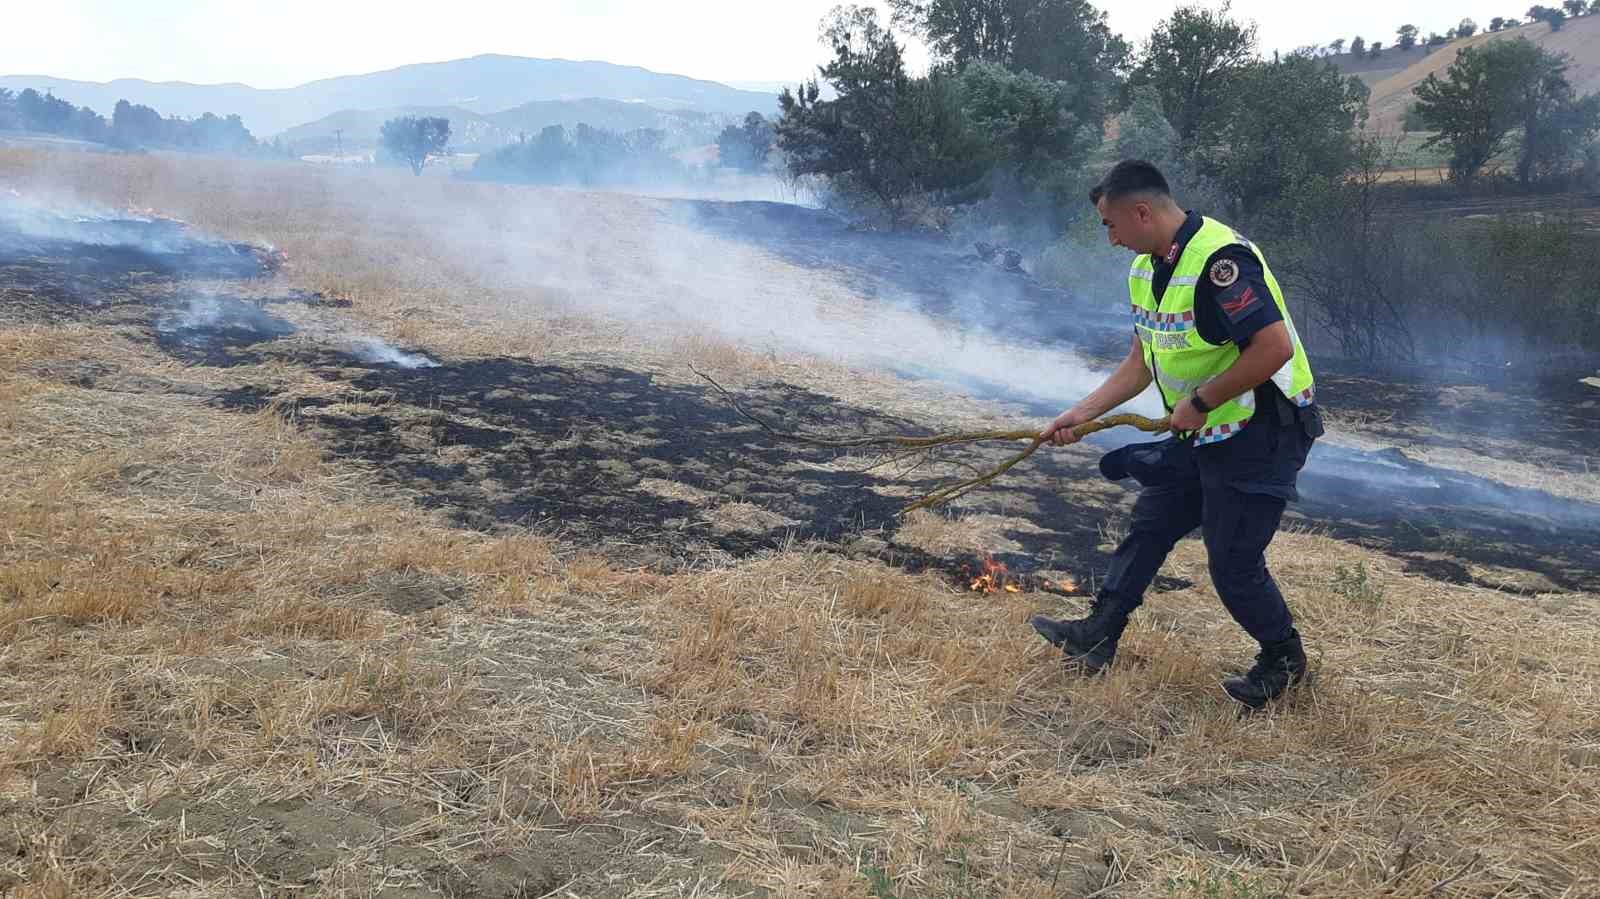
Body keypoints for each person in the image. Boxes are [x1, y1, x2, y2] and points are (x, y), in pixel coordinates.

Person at [1030, 160, 1324, 709]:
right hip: (1203, 430)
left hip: (1261, 432)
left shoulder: (1221, 262)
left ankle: (1284, 661)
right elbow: (1140, 363)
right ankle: (1098, 636)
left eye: (1112, 225)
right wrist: (1082, 413)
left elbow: (1274, 348)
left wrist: (1199, 401)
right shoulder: (1146, 269)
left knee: (1233, 560)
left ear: (1142, 211)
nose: (1111, 239)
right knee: (1150, 525)